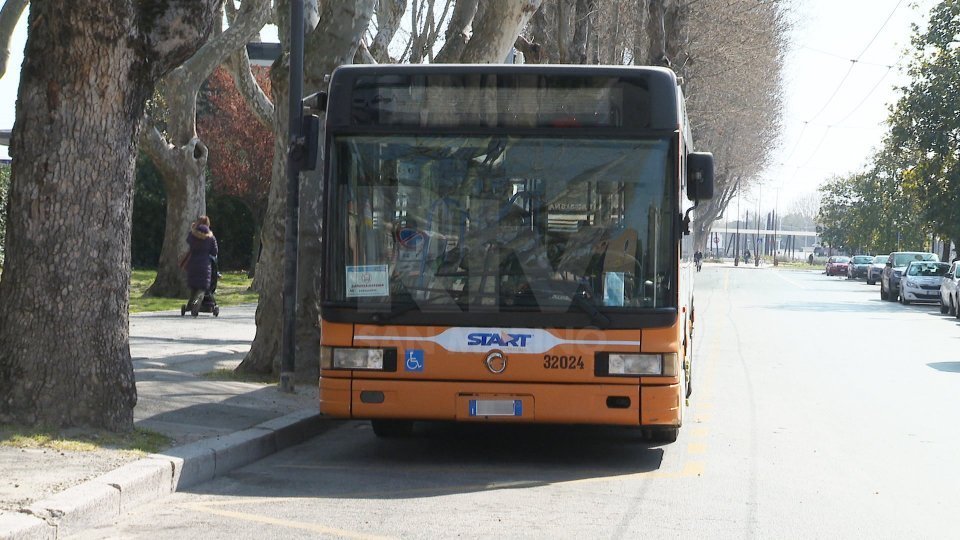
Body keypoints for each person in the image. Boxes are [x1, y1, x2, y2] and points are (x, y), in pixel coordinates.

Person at [184, 215, 219, 316]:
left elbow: (188, 241)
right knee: (203, 287)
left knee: (194, 286)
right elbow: (214, 251)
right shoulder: (211, 237)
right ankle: (197, 302)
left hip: (193, 263)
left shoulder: (192, 235)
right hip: (204, 264)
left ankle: (190, 304)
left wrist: (193, 228)